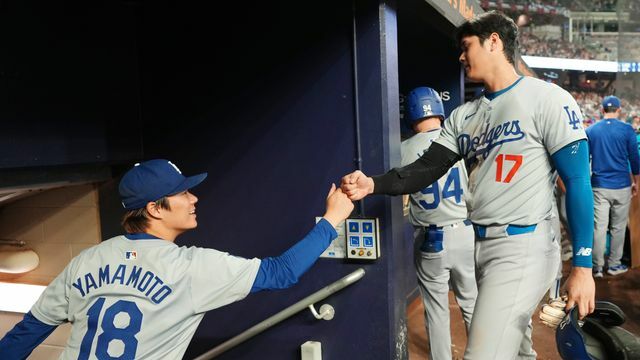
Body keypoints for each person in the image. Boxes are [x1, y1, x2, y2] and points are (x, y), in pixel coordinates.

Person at [341, 11, 595, 359]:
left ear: (494, 41)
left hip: (524, 245)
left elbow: (578, 180)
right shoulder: (465, 116)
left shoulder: (547, 98)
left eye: (466, 46)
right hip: (480, 245)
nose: (460, 56)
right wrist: (373, 184)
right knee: (519, 352)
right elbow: (425, 169)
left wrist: (582, 267)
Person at [0, 159, 354, 359]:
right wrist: (332, 219)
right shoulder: (190, 267)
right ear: (154, 208)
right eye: (182, 192)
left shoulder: (87, 260)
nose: (193, 198)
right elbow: (282, 272)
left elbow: (27, 332)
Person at [401, 86, 477, 360]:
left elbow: (402, 197)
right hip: (465, 233)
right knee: (472, 305)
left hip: (432, 241)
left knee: (436, 310)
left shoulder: (403, 149)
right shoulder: (457, 140)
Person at [586, 95, 640, 277]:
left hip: (599, 185)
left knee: (599, 227)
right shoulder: (627, 129)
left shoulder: (592, 130)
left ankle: (597, 267)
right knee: (618, 227)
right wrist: (636, 182)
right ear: (619, 110)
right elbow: (634, 158)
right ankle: (614, 265)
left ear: (602, 110)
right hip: (622, 185)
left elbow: (585, 160)